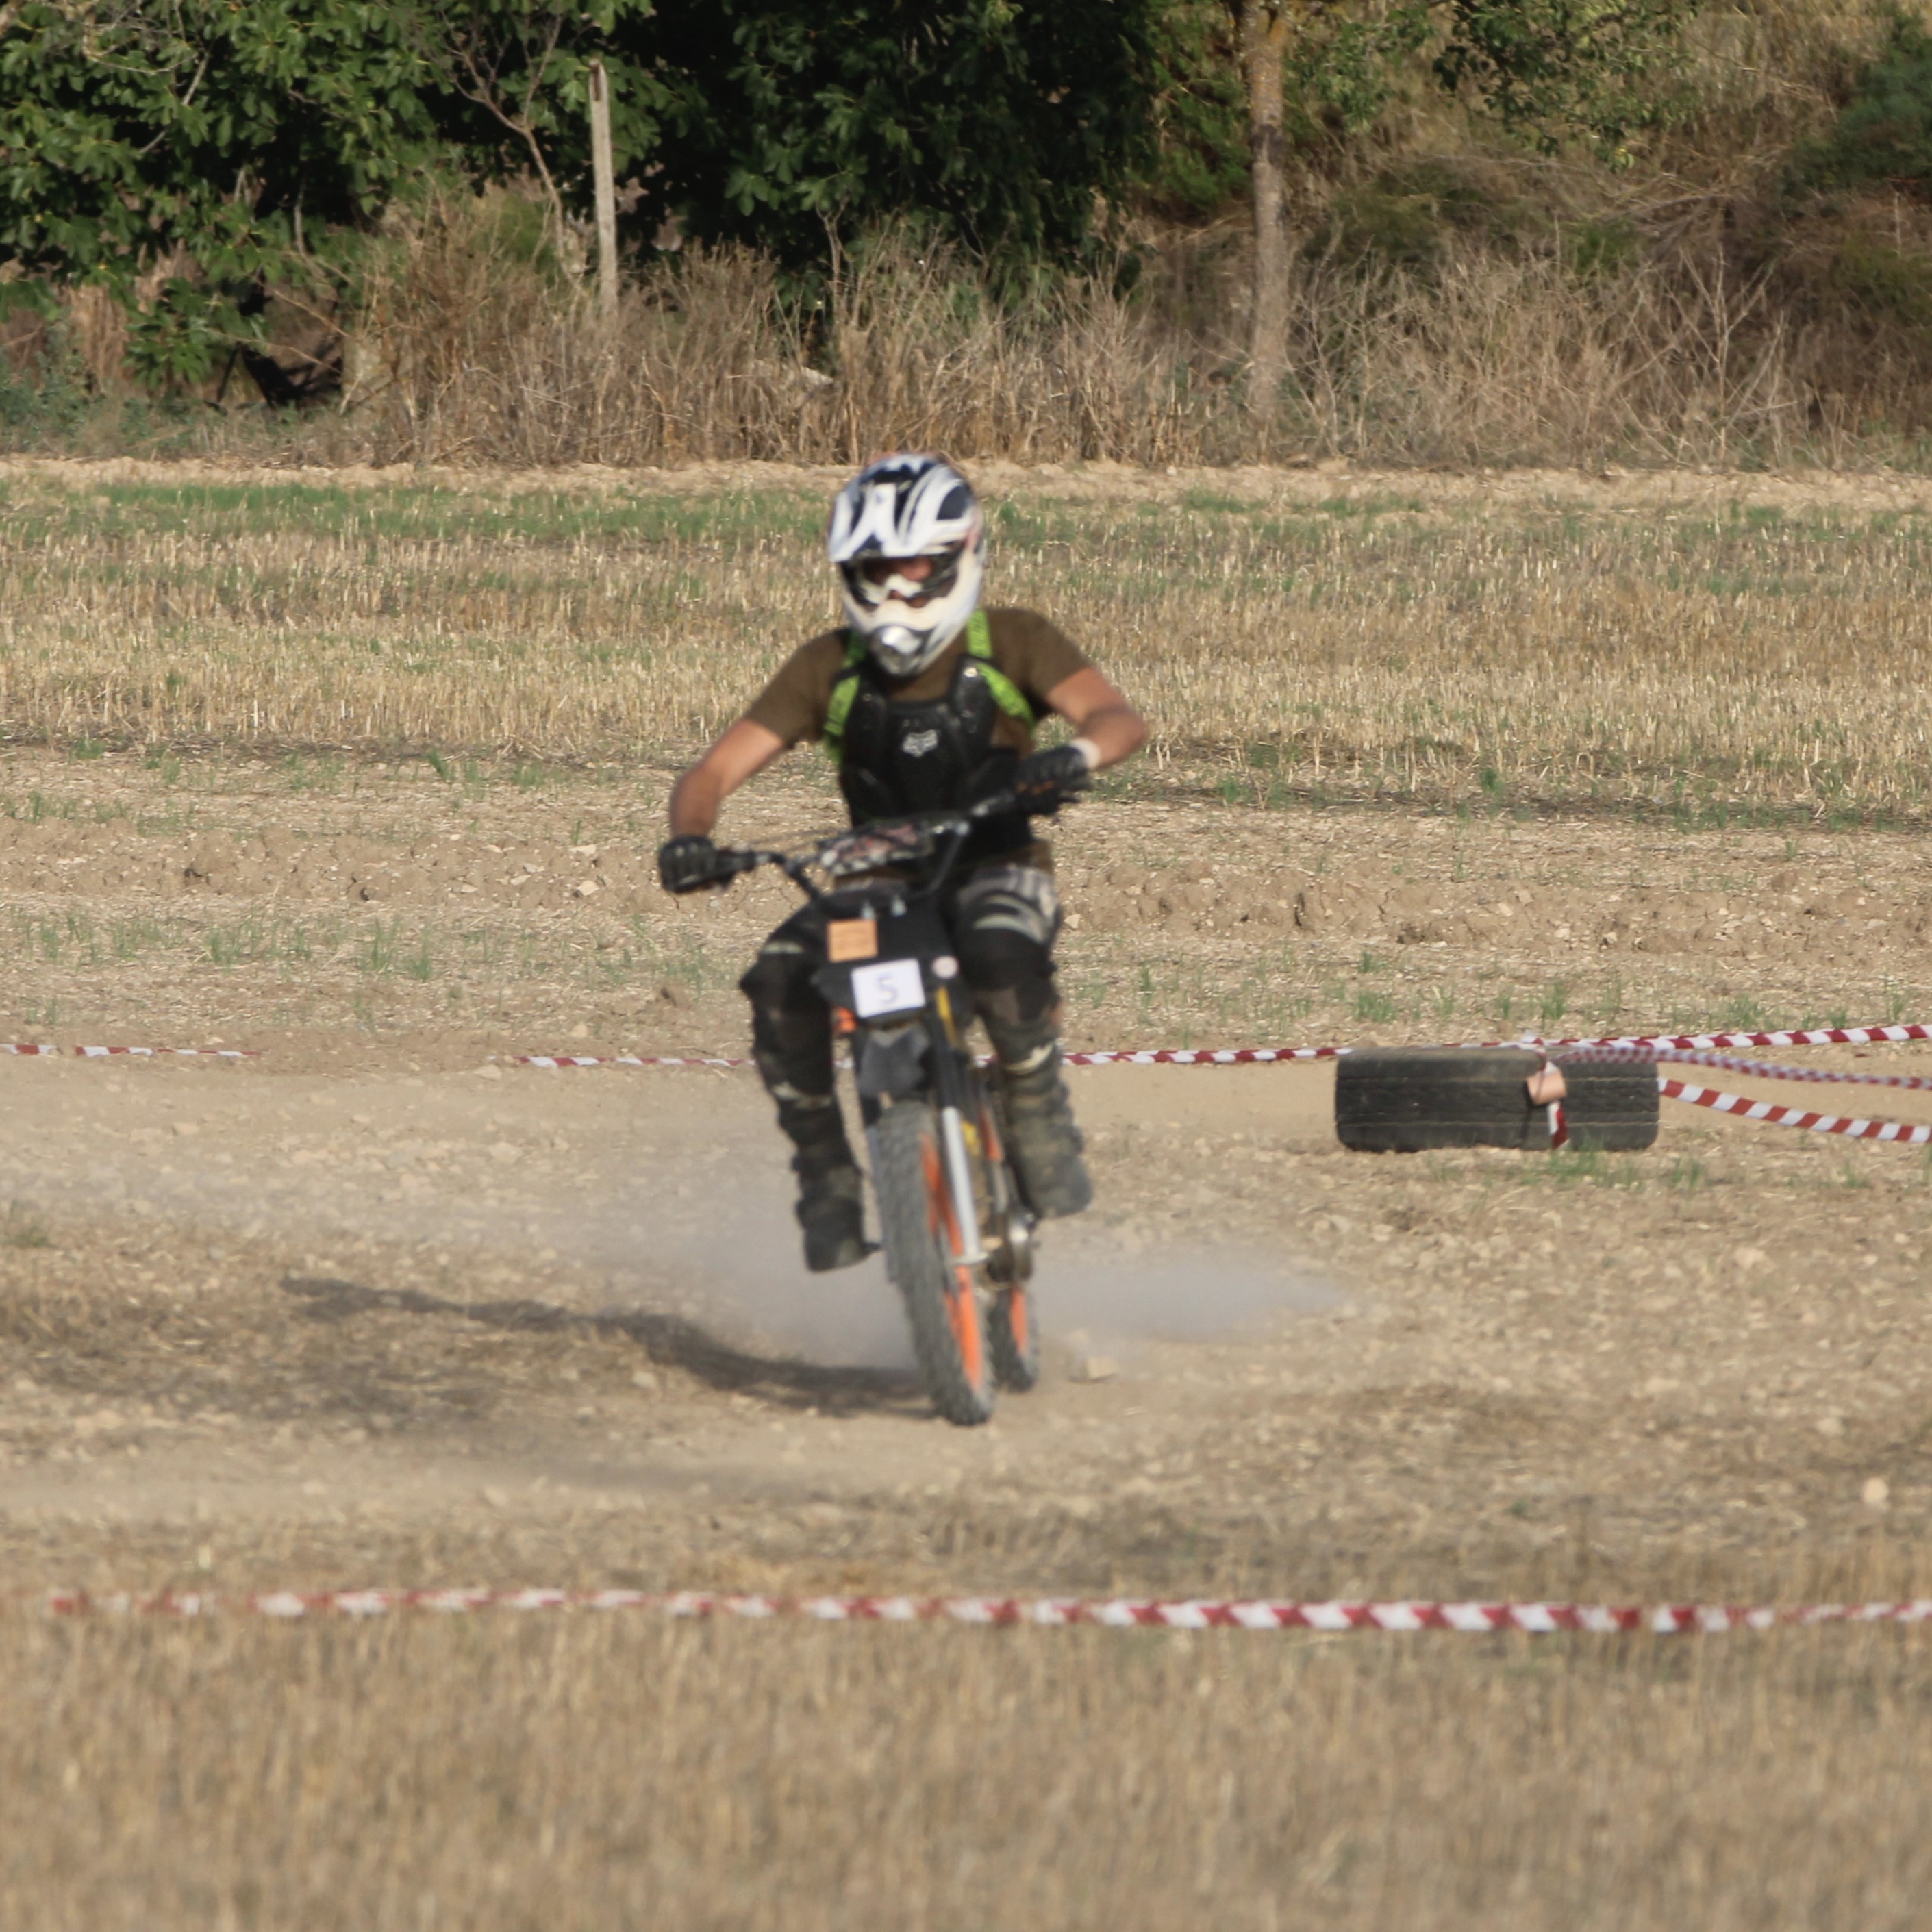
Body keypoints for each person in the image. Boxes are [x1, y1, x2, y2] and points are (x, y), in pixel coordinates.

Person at [657, 454, 1147, 1271]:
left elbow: (1115, 718)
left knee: (998, 952)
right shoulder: (829, 665)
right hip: (877, 882)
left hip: (998, 864)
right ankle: (825, 1174)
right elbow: (710, 773)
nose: (894, 588)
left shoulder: (1012, 640)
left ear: (960, 557)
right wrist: (689, 836)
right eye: (875, 568)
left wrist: (1076, 756)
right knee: (779, 983)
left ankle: (1035, 1104)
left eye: (915, 566)